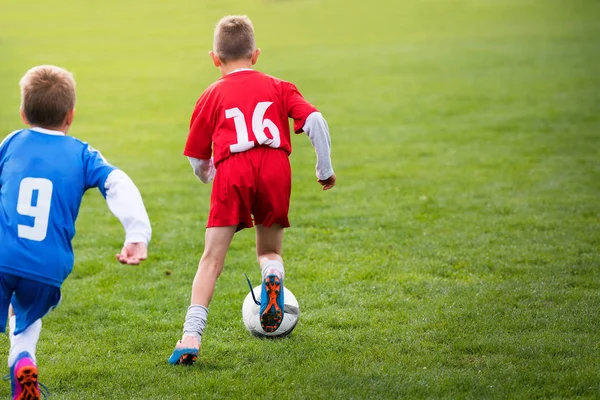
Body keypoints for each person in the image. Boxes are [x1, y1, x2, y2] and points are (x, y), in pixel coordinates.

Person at [168, 15, 335, 366]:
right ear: (255, 54)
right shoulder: (280, 86)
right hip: (276, 166)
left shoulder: (211, 94)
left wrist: (209, 175)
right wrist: (324, 169)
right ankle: (272, 275)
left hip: (234, 169)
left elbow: (196, 158)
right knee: (269, 252)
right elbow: (316, 121)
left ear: (214, 58)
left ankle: (191, 336)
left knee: (212, 259)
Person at [0, 65, 152, 399]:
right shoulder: (82, 154)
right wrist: (136, 233)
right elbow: (117, 183)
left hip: (3, 254)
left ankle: (20, 359)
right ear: (70, 115)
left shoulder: (11, 143)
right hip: (47, 266)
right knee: (26, 314)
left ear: (23, 114)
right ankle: (23, 358)